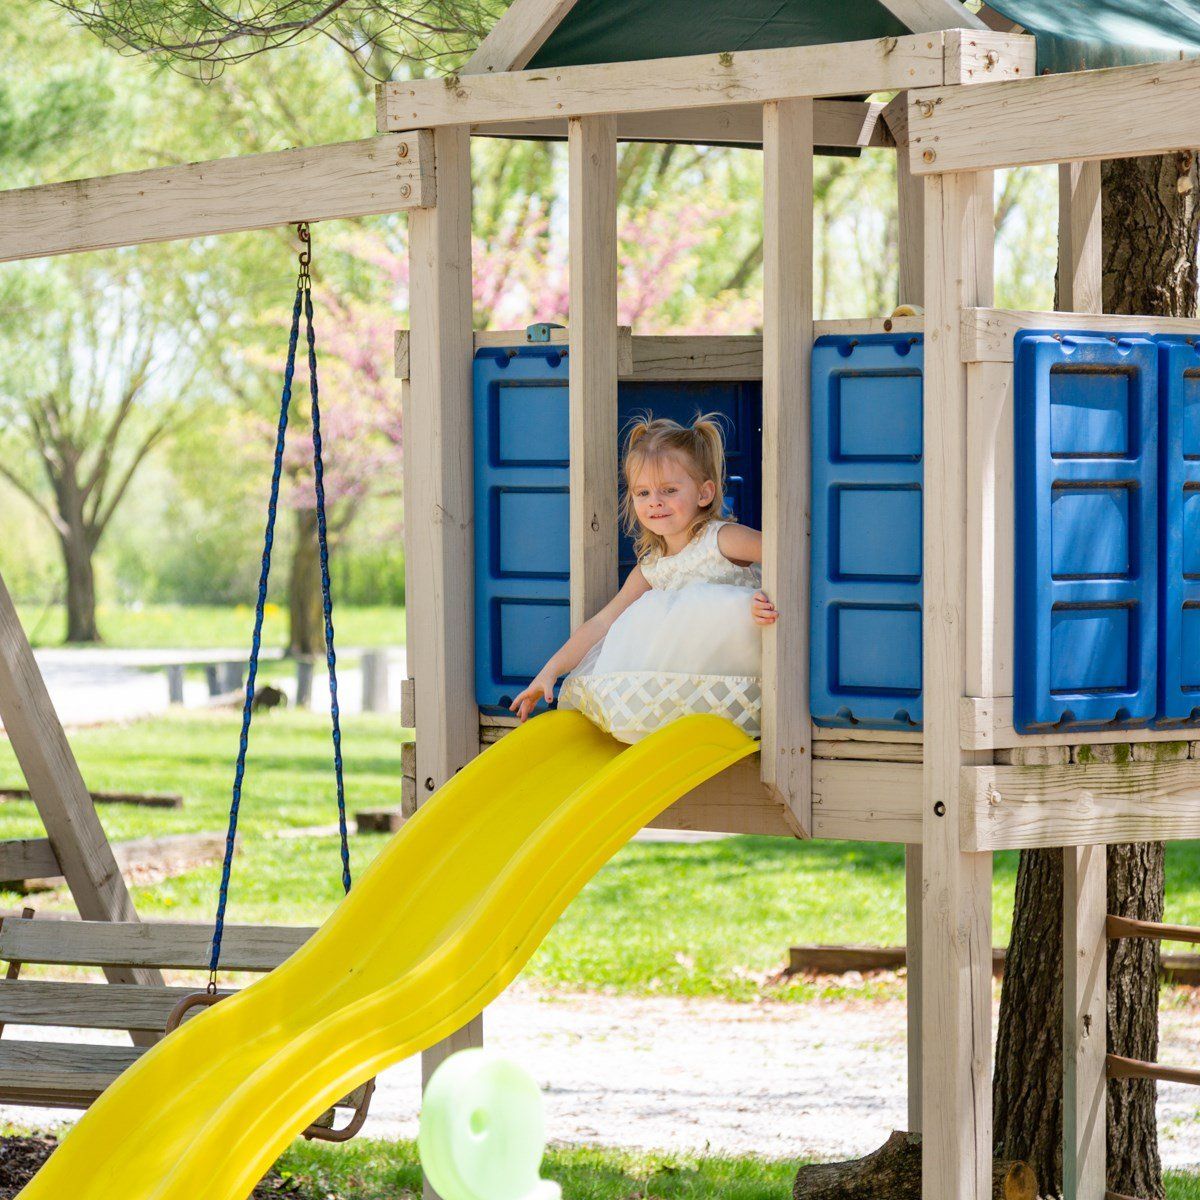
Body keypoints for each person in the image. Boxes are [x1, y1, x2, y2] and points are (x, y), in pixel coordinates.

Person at [509, 414, 776, 743]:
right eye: (643, 492)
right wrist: (550, 670)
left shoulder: (722, 540)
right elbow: (603, 622)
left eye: (669, 490)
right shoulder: (651, 567)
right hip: (686, 692)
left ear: (704, 493)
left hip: (734, 672)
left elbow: (788, 560)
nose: (655, 502)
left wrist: (761, 601)